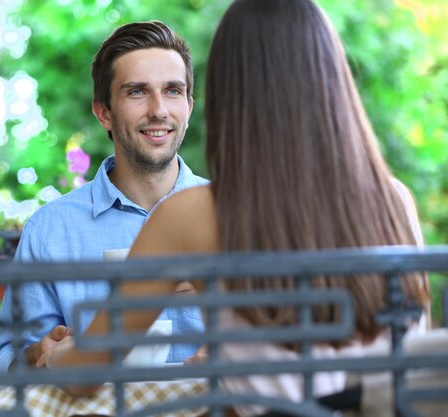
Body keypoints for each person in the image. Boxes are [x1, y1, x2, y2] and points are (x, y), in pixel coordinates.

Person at [38, 0, 431, 414]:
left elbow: (84, 376)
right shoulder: (395, 201)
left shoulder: (190, 214)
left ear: (228, 93)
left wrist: (56, 354)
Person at [0, 20, 208, 373]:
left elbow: (287, 335)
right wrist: (34, 356)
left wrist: (242, 352)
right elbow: (4, 362)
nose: (159, 110)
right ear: (104, 112)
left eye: (172, 91)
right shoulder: (50, 230)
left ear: (189, 105)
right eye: (137, 91)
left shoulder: (233, 213)